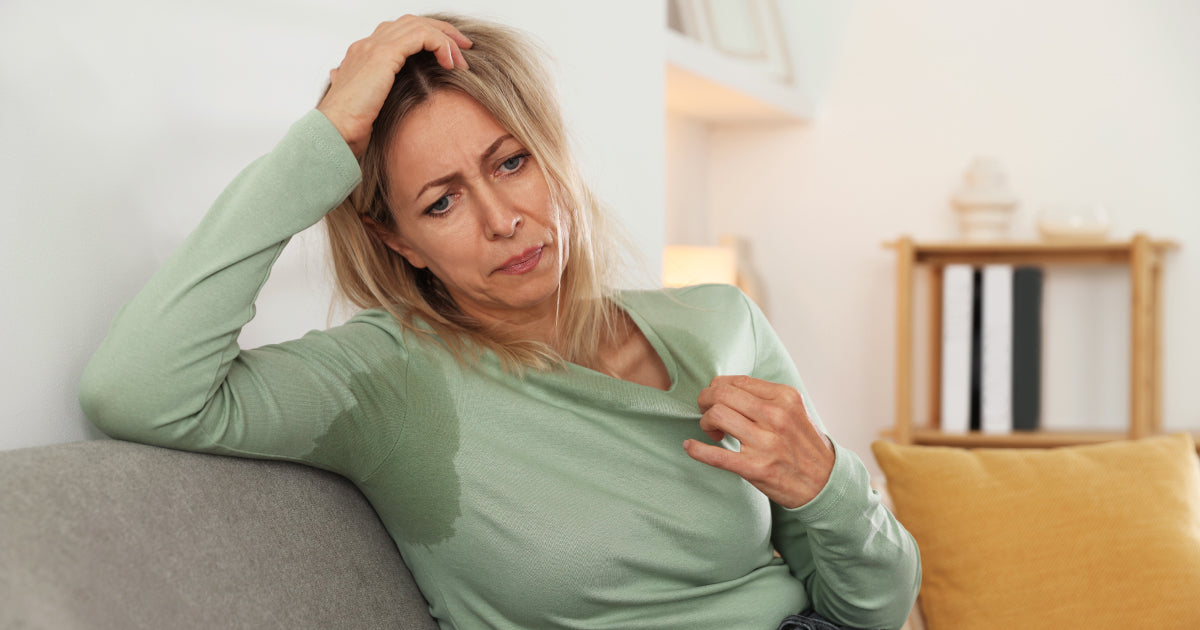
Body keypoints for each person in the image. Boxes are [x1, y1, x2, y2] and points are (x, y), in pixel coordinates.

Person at [79, 13, 920, 630]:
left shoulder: (720, 320)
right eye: (441, 201)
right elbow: (138, 390)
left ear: (550, 152)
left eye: (510, 162)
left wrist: (829, 484)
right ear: (396, 239)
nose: (501, 218)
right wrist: (328, 136)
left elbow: (875, 609)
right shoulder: (390, 376)